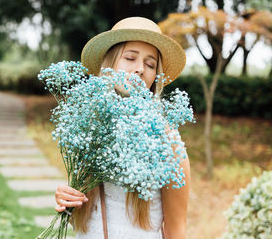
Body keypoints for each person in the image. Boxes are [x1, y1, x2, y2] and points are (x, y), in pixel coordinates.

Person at [54, 17, 191, 239]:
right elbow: (85, 216)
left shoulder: (167, 141)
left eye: (150, 64)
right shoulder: (90, 127)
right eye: (130, 58)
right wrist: (67, 198)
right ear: (110, 64)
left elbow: (176, 231)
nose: (139, 69)